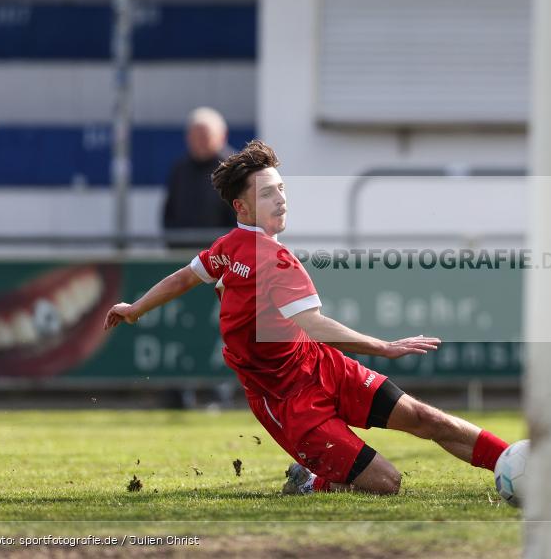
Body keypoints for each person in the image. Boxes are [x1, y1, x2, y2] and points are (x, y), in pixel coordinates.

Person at [105, 139, 511, 495]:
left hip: (320, 366)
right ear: (241, 206)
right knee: (388, 483)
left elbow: (184, 278)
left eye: (281, 189)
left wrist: (134, 309)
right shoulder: (265, 257)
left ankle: (512, 460)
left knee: (423, 417)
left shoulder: (235, 246)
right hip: (286, 400)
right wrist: (383, 348)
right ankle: (310, 478)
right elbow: (314, 323)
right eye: (267, 194)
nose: (281, 199)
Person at [162, 107, 235, 246]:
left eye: (205, 136)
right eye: (195, 137)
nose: (199, 142)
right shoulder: (180, 170)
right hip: (184, 256)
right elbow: (169, 213)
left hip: (224, 258)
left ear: (222, 136)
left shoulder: (236, 170)